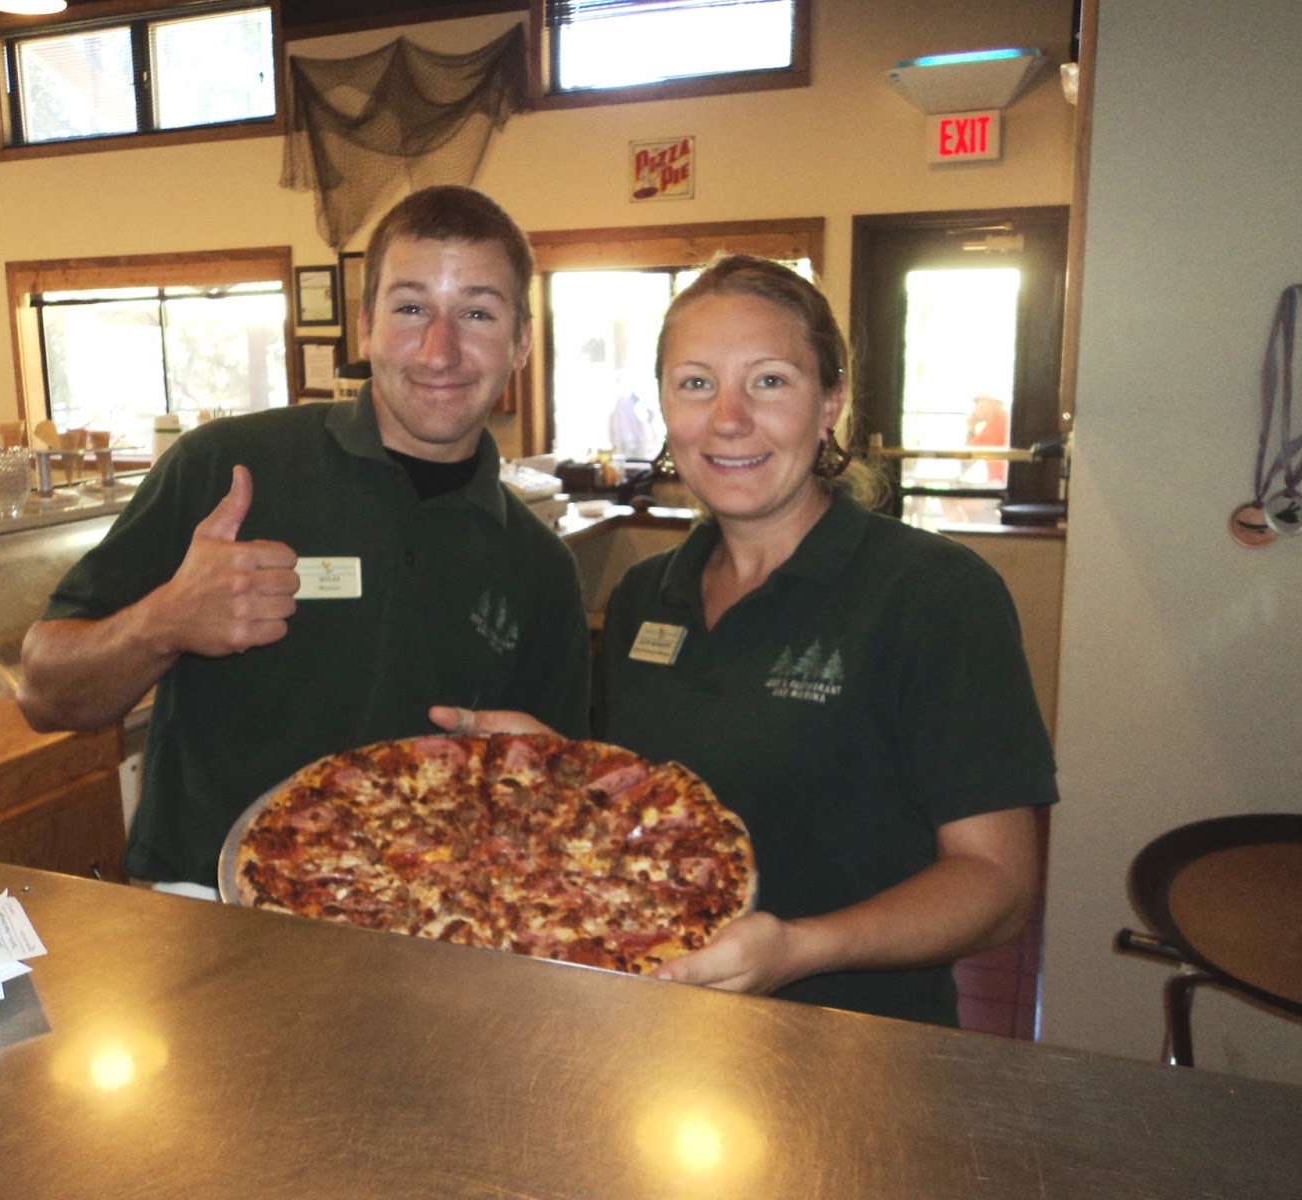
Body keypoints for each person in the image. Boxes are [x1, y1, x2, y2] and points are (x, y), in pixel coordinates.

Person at [433, 255, 1057, 1027]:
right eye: (695, 383)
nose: (727, 419)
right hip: (660, 1025)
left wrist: (799, 948)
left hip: (857, 1040)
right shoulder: (642, 598)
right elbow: (658, 815)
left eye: (768, 381)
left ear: (830, 401)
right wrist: (563, 769)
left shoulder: (934, 595)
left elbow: (996, 886)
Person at [18, 185, 591, 890]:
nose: (440, 350)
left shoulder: (541, 569)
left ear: (522, 342)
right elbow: (44, 693)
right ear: (365, 327)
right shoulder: (225, 470)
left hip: (433, 934)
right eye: (411, 309)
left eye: (477, 313)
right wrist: (161, 623)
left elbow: (559, 798)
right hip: (205, 911)